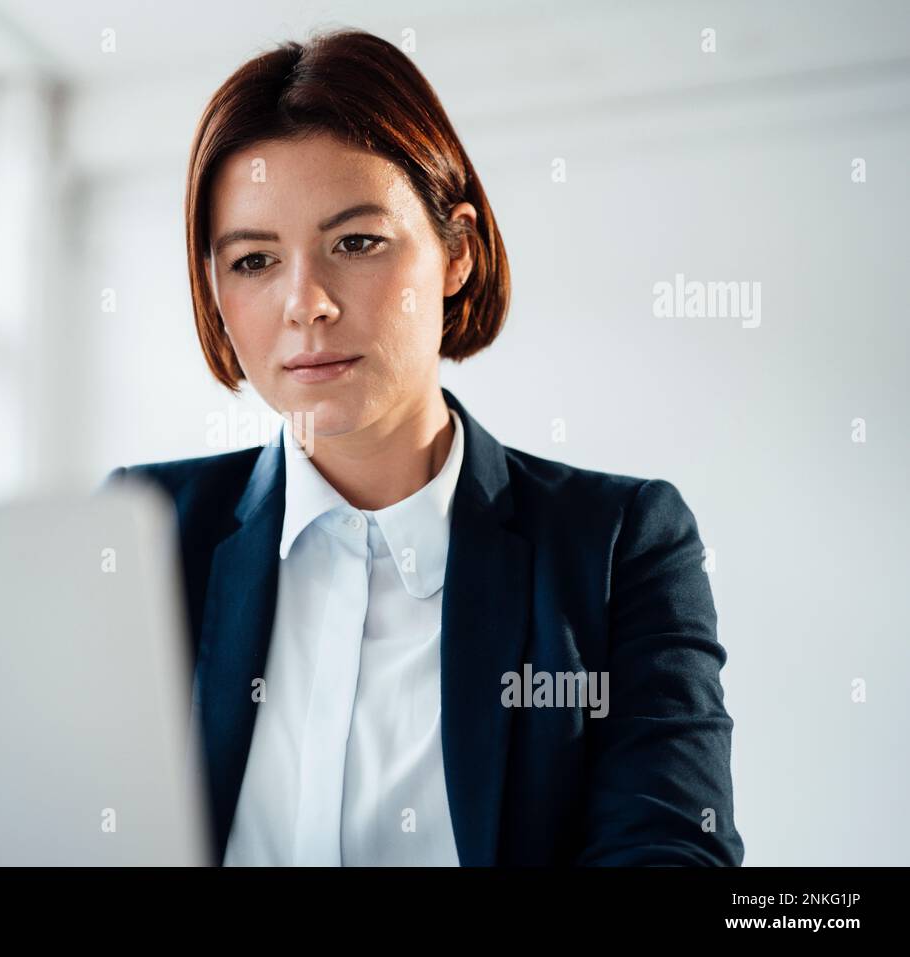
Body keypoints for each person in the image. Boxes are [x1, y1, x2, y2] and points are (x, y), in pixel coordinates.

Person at [102, 28, 743, 867]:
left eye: (356, 242)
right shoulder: (140, 533)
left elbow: (670, 852)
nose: (307, 304)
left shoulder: (621, 543)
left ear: (457, 252)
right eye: (255, 259)